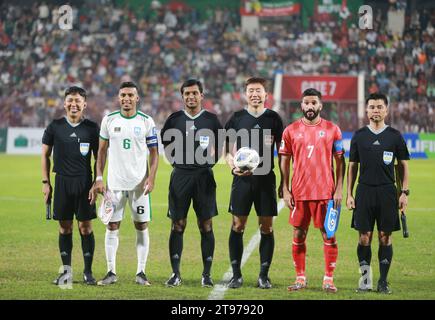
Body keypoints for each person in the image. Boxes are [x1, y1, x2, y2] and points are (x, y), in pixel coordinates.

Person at [279, 88, 345, 293]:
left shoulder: (333, 129)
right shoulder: (290, 130)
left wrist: (339, 189)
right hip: (299, 192)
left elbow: (340, 161)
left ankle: (328, 279)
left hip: (325, 192)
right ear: (301, 105)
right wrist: (285, 189)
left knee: (329, 234)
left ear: (320, 105)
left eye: (314, 103)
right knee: (298, 234)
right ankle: (300, 278)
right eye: (306, 103)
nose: (310, 106)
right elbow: (284, 160)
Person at [94, 81, 159, 286]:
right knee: (112, 226)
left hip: (139, 186)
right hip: (114, 185)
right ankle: (111, 271)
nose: (127, 99)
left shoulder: (147, 121)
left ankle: (141, 272)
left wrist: (152, 177)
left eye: (131, 95)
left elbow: (155, 153)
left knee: (141, 225)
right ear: (118, 98)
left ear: (137, 98)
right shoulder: (109, 120)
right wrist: (99, 178)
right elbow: (101, 151)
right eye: (123, 95)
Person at [160, 79, 223, 287]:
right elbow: (166, 143)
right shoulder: (174, 119)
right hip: (181, 176)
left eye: (194, 93)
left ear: (201, 95)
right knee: (178, 224)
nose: (191, 97)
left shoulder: (212, 120)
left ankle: (206, 274)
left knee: (206, 224)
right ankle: (175, 273)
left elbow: (220, 144)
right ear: (183, 96)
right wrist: (178, 164)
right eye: (187, 94)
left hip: (204, 176)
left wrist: (209, 164)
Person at [347, 92, 410, 294]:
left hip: (387, 192)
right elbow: (352, 167)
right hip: (364, 191)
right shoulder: (359, 135)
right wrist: (349, 193)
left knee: (385, 236)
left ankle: (383, 281)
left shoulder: (394, 136)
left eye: (379, 107)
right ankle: (365, 281)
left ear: (386, 110)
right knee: (364, 237)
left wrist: (404, 192)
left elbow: (403, 166)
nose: (375, 110)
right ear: (366, 110)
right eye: (372, 107)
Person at [224, 77, 284, 289]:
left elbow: (283, 154)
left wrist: (284, 182)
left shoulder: (274, 119)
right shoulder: (237, 118)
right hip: (242, 181)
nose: (254, 94)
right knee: (238, 225)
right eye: (251, 90)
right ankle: (236, 275)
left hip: (266, 180)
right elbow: (227, 152)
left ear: (266, 95)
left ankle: (264, 276)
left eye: (258, 90)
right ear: (245, 94)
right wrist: (233, 167)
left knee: (266, 227)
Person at [41, 86, 99, 285]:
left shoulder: (92, 128)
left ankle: (88, 273)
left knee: (85, 227)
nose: (73, 104)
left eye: (78, 101)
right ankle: (66, 272)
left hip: (84, 183)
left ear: (84, 104)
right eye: (70, 100)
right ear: (64, 103)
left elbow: (99, 158)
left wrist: (97, 182)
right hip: (62, 182)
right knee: (65, 228)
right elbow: (45, 155)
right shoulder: (55, 126)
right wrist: (46, 182)